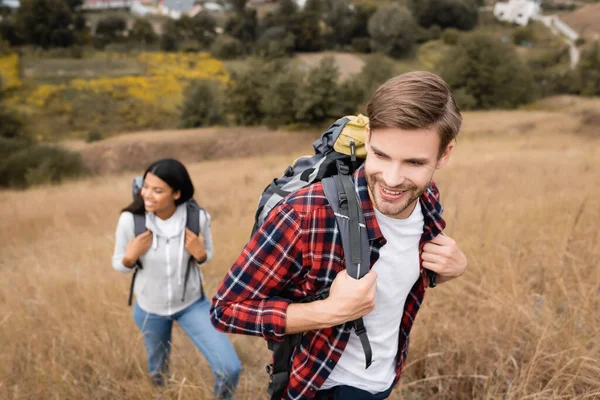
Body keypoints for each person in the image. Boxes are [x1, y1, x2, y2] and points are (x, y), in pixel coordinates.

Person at [210, 72, 468, 399]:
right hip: (322, 387)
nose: (392, 179)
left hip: (385, 376)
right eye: (382, 155)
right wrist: (329, 312)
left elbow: (397, 276)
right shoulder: (306, 215)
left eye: (414, 163)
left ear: (444, 155)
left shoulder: (426, 197)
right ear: (369, 135)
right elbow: (226, 309)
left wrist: (447, 271)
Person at [112, 158, 241, 399]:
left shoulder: (197, 218)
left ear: (177, 193)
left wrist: (200, 254)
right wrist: (130, 257)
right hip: (150, 309)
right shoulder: (131, 220)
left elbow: (206, 255)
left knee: (230, 369)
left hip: (192, 305)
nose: (147, 195)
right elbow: (119, 263)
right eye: (146, 186)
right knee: (158, 372)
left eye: (157, 190)